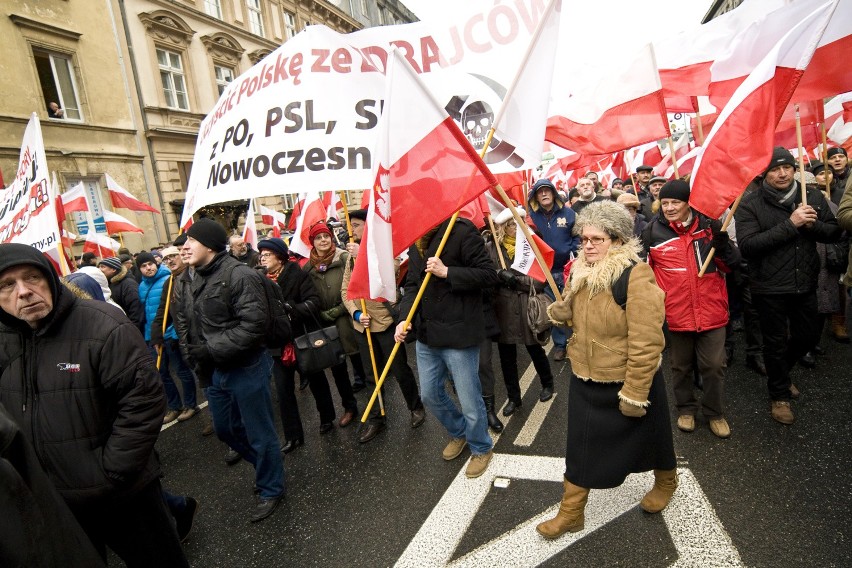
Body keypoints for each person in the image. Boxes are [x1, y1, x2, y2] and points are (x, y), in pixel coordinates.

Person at [0, 243, 189, 566]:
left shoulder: (102, 325)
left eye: (32, 278)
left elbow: (143, 401)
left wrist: (110, 472)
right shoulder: (3, 340)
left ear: (50, 279)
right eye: (7, 284)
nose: (24, 292)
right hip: (56, 503)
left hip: (124, 494)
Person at [537, 201, 676, 539]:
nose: (587, 245)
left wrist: (635, 392)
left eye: (596, 239)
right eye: (584, 239)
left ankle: (666, 480)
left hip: (628, 378)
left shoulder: (635, 275)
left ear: (616, 239)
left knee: (653, 437)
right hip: (587, 374)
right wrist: (563, 310)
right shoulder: (582, 270)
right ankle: (572, 513)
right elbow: (577, 317)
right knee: (580, 447)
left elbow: (647, 340)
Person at [175, 218, 285, 522]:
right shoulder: (191, 277)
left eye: (190, 241)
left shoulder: (240, 275)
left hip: (246, 367)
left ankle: (271, 487)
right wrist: (196, 358)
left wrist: (211, 349)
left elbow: (254, 326)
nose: (184, 248)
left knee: (259, 433)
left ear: (209, 244)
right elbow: (188, 322)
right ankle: (267, 468)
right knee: (225, 429)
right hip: (214, 370)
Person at [735, 147, 842, 425]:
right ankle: (779, 395)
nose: (782, 173)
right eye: (774, 169)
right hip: (768, 286)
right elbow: (748, 246)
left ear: (795, 169)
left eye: (787, 168)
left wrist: (811, 226)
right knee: (774, 342)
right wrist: (791, 224)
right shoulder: (750, 204)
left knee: (807, 337)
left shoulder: (811, 195)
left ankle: (780, 371)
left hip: (804, 282)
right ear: (764, 173)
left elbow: (833, 232)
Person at [395, 217, 500, 479]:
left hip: (459, 332)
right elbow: (412, 287)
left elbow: (489, 275)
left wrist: (448, 272)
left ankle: (481, 447)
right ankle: (459, 432)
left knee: (469, 398)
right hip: (426, 333)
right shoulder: (415, 236)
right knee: (429, 394)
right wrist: (403, 319)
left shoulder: (462, 230)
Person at [641, 180, 740, 438]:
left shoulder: (710, 227)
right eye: (665, 203)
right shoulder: (652, 232)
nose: (670, 208)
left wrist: (724, 245)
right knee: (680, 366)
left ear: (688, 204)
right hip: (676, 313)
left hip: (712, 310)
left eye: (676, 202)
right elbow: (642, 273)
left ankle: (715, 412)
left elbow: (732, 265)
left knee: (715, 365)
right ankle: (685, 408)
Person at [341, 210, 426, 444]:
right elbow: (345, 290)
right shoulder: (350, 257)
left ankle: (415, 406)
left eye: (356, 226)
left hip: (386, 323)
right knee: (371, 375)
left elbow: (389, 278)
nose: (352, 231)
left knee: (400, 370)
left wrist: (363, 257)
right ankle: (377, 418)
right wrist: (356, 313)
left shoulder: (384, 249)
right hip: (363, 326)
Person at [257, 237, 337, 449]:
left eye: (267, 254)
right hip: (277, 343)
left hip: (302, 338)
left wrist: (290, 308)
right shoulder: (259, 280)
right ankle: (293, 435)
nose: (262, 258)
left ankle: (327, 417)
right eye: (261, 255)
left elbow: (314, 303)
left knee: (316, 380)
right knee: (283, 391)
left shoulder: (298, 275)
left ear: (280, 257)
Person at [486, 207, 555, 415]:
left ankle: (548, 383)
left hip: (527, 305)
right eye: (510, 225)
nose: (515, 228)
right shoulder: (491, 247)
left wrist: (516, 281)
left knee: (535, 349)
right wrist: (498, 274)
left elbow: (541, 279)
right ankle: (513, 398)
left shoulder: (533, 244)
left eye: (518, 223)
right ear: (502, 228)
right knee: (507, 357)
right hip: (504, 309)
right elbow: (486, 273)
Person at [303, 221, 359, 428]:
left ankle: (375, 404)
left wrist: (339, 310)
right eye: (318, 237)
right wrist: (319, 312)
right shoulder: (308, 267)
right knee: (338, 368)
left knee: (360, 362)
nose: (323, 240)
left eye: (326, 236)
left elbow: (353, 286)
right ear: (312, 242)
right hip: (324, 323)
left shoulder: (344, 257)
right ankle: (350, 407)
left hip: (348, 317)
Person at [140, 249, 199, 424]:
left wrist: (174, 334)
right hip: (156, 335)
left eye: (173, 256)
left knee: (183, 370)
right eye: (166, 258)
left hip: (178, 334)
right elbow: (160, 311)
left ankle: (191, 405)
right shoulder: (166, 281)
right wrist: (155, 336)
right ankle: (175, 406)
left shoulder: (181, 277)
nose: (170, 260)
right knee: (162, 373)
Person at [527, 178, 580, 362]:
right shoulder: (531, 217)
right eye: (539, 192)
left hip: (567, 269)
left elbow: (578, 236)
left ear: (553, 193)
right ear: (535, 196)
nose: (543, 194)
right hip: (546, 271)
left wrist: (571, 252)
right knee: (556, 308)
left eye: (546, 190)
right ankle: (560, 345)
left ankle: (578, 342)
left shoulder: (569, 213)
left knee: (574, 306)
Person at [98, 256, 144, 333]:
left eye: (103, 267)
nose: (100, 270)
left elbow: (136, 310)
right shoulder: (110, 283)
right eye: (99, 267)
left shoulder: (128, 284)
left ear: (113, 269)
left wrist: (133, 332)